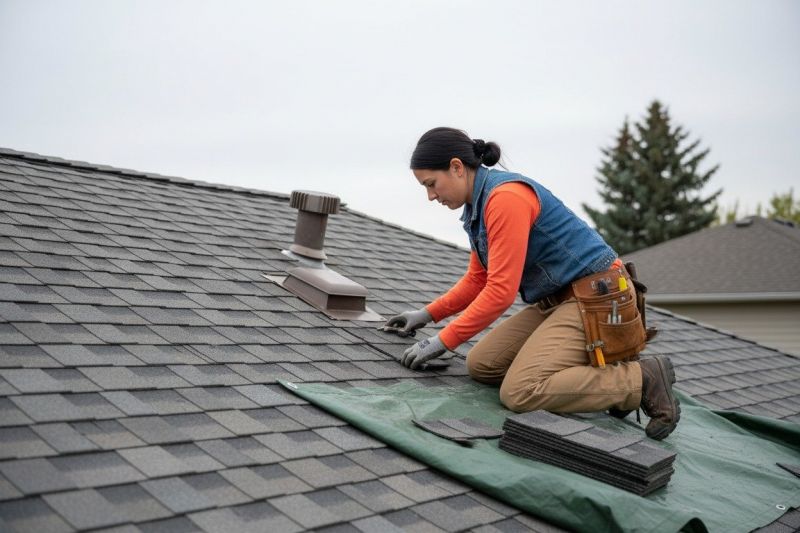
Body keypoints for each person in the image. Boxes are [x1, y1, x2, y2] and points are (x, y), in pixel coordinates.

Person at [384, 127, 680, 440]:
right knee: (482, 364)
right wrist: (427, 314)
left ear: (457, 167)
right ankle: (600, 383)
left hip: (597, 298)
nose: (431, 196)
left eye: (431, 184)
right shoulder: (478, 207)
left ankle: (640, 379)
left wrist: (442, 341)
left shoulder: (505, 198)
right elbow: (478, 278)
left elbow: (500, 293)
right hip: (561, 301)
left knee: (520, 392)